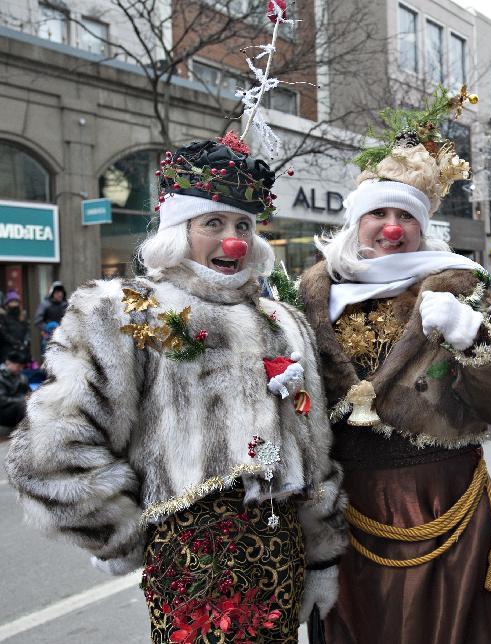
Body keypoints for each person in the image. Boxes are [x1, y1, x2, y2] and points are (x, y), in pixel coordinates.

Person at [6, 135, 347, 643]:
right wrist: (121, 535)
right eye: (213, 223)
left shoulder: (282, 321)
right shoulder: (125, 312)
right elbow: (51, 450)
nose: (233, 240)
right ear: (178, 230)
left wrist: (322, 559)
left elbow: (313, 454)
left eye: (243, 226)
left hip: (281, 558)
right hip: (189, 564)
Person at [299, 88, 491, 644]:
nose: (392, 228)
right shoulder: (314, 296)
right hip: (348, 505)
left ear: (422, 227)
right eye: (378, 214)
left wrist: (472, 337)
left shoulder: (460, 285)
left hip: (444, 496)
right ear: (356, 222)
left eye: (404, 217)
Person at [0, 350, 29, 437]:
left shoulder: (22, 378)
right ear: (8, 363)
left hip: (17, 409)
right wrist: (22, 399)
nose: (21, 369)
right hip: (4, 410)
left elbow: (28, 393)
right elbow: (2, 400)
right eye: (18, 366)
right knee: (23, 405)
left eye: (22, 366)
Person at [0, 291, 31, 362]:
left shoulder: (22, 318)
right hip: (7, 351)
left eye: (16, 302)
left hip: (21, 350)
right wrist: (15, 342)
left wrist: (25, 343)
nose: (14, 304)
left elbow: (27, 332)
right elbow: (3, 333)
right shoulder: (3, 318)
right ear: (7, 304)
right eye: (12, 302)